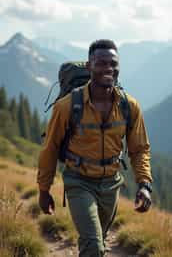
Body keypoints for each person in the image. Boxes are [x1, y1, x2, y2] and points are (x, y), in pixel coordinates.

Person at [37, 39, 153, 257]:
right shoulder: (68, 106)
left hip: (111, 185)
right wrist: (44, 190)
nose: (108, 68)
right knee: (93, 246)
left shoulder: (129, 106)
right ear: (89, 66)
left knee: (97, 242)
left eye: (113, 63)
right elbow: (50, 148)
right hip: (79, 182)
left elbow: (139, 149)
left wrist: (144, 184)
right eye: (101, 63)